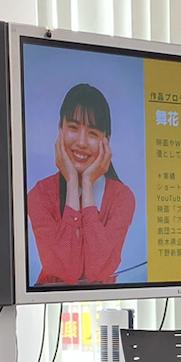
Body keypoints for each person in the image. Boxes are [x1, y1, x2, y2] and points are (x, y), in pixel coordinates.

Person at [28, 83, 137, 286]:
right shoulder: (39, 195)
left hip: (104, 300)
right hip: (48, 301)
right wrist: (71, 183)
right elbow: (67, 272)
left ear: (106, 140)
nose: (81, 142)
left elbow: (98, 271)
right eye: (73, 128)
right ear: (60, 129)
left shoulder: (122, 198)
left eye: (93, 133)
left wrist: (87, 184)